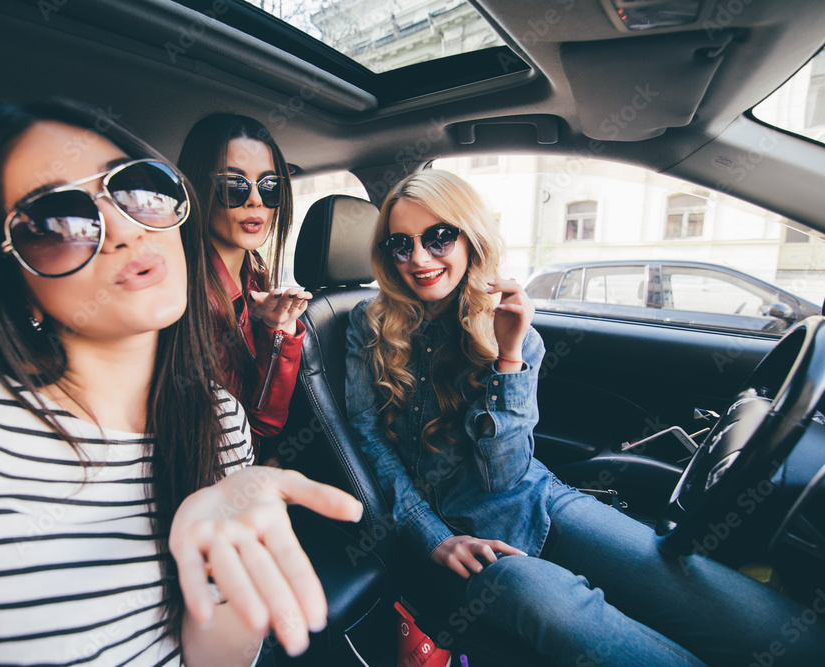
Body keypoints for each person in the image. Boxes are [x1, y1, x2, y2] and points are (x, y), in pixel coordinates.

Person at [0, 99, 362, 666]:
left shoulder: (223, 420)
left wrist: (224, 572)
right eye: (58, 223)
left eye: (140, 192)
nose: (125, 229)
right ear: (13, 282)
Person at [345, 169, 825, 666]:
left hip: (535, 499)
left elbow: (502, 474)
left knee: (686, 582)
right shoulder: (368, 323)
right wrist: (432, 538)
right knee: (558, 606)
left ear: (471, 238)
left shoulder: (515, 331)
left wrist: (508, 357)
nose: (419, 258)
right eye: (401, 244)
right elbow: (367, 438)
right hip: (445, 532)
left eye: (439, 237)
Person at [178, 115, 310, 460]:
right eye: (233, 185)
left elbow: (264, 421)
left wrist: (277, 328)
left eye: (269, 187)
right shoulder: (182, 295)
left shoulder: (255, 276)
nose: (255, 200)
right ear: (198, 188)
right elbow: (235, 432)